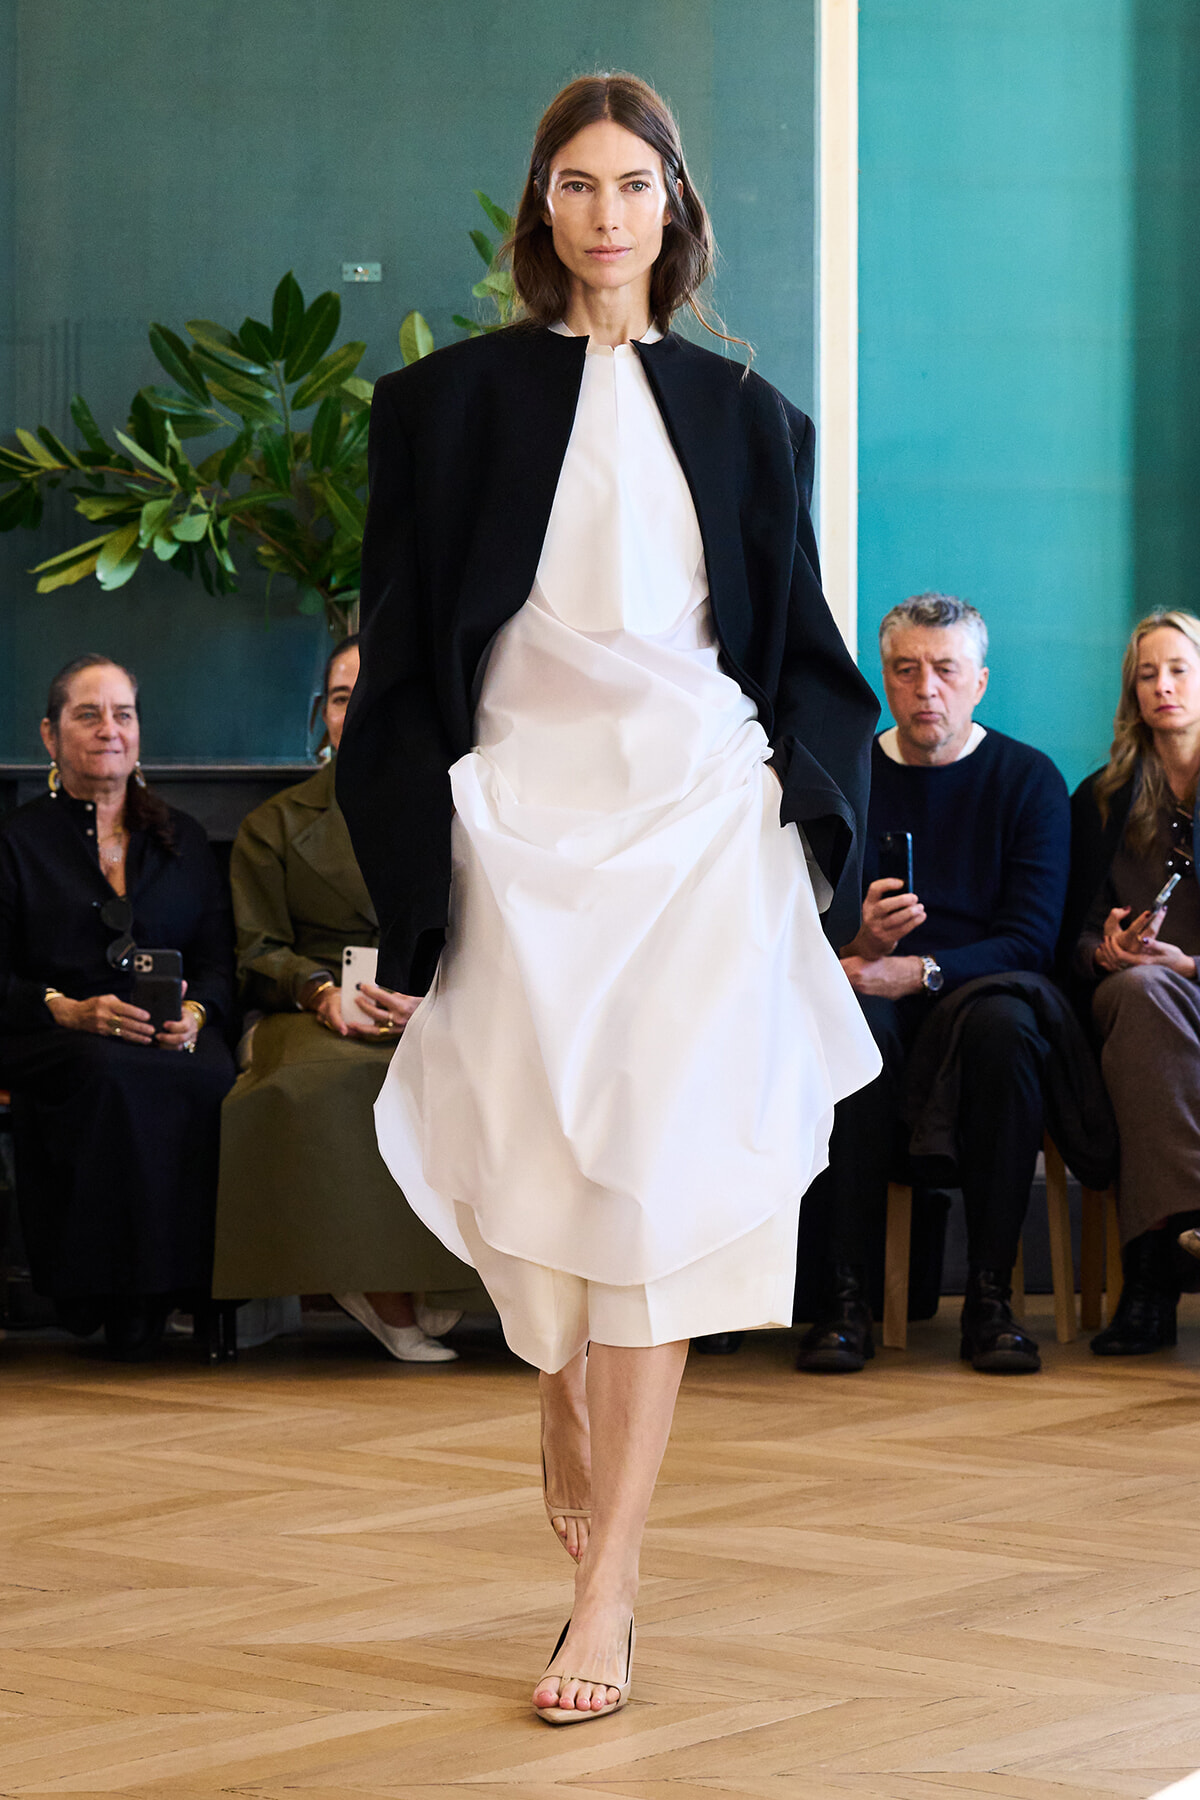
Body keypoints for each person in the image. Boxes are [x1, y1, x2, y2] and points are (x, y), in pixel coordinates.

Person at [337, 73, 881, 1723]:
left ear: (672, 209)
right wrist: (421, 856)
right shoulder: (439, 411)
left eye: (632, 184)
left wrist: (798, 818)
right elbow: (405, 662)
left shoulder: (749, 422)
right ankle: (566, 1411)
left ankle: (608, 1585)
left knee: (651, 1190)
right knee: (541, 1171)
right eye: (575, 184)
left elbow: (801, 656)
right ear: (542, 209)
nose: (603, 213)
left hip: (699, 824)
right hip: (516, 829)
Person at [795, 594, 1071, 1376]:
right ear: (883, 678)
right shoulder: (845, 780)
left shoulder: (1027, 779)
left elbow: (1032, 941)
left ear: (979, 681)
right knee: (854, 1029)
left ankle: (990, 1298)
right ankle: (841, 1299)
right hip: (868, 996)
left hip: (978, 1003)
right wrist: (856, 940)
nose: (926, 690)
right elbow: (792, 928)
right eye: (906, 670)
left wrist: (917, 970)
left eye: (945, 670)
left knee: (1005, 1031)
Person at [211, 635, 486, 1359]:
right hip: (311, 1007)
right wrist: (321, 992)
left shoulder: (459, 817)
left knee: (469, 1065)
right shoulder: (273, 824)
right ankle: (377, 1284)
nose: (356, 709)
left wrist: (434, 1000)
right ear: (320, 716)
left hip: (429, 999)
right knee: (340, 1077)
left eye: (371, 693)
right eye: (340, 697)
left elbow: (486, 937)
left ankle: (445, 1280)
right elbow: (259, 948)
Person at [0, 655, 235, 1359]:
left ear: (139, 733)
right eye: (88, 714)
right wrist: (67, 1009)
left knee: (209, 1079)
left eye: (123, 715)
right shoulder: (15, 844)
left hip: (171, 1035)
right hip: (51, 1031)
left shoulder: (183, 839)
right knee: (108, 1077)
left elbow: (221, 963)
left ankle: (189, 1293)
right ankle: (108, 1297)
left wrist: (196, 1018)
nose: (109, 729)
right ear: (49, 736)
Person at [1066, 610, 1200, 1355]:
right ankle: (1171, 1246)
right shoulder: (1103, 800)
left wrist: (1189, 965)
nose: (1163, 686)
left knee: (1155, 999)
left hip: (1191, 992)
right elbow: (1072, 938)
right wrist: (1107, 951)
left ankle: (1151, 1276)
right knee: (1140, 998)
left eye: (1179, 669)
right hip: (1140, 1003)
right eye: (1147, 674)